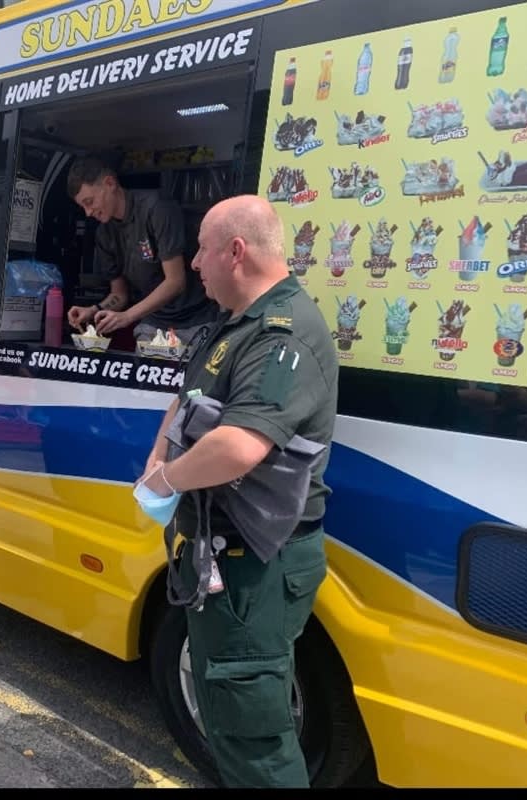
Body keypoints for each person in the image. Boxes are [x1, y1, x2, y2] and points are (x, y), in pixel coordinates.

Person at [137, 195, 339, 787]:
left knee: (255, 736)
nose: (193, 264)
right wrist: (158, 457)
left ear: (235, 250)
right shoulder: (235, 320)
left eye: (201, 248)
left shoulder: (285, 332)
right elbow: (188, 398)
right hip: (223, 557)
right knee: (224, 713)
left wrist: (166, 479)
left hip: (257, 565)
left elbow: (240, 446)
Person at [65, 156, 218, 345]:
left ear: (110, 183)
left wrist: (127, 316)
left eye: (89, 201)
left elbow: (176, 281)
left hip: (197, 320)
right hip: (154, 322)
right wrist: (93, 310)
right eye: (83, 207)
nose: (88, 212)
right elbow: (120, 295)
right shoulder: (105, 233)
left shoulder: (157, 208)